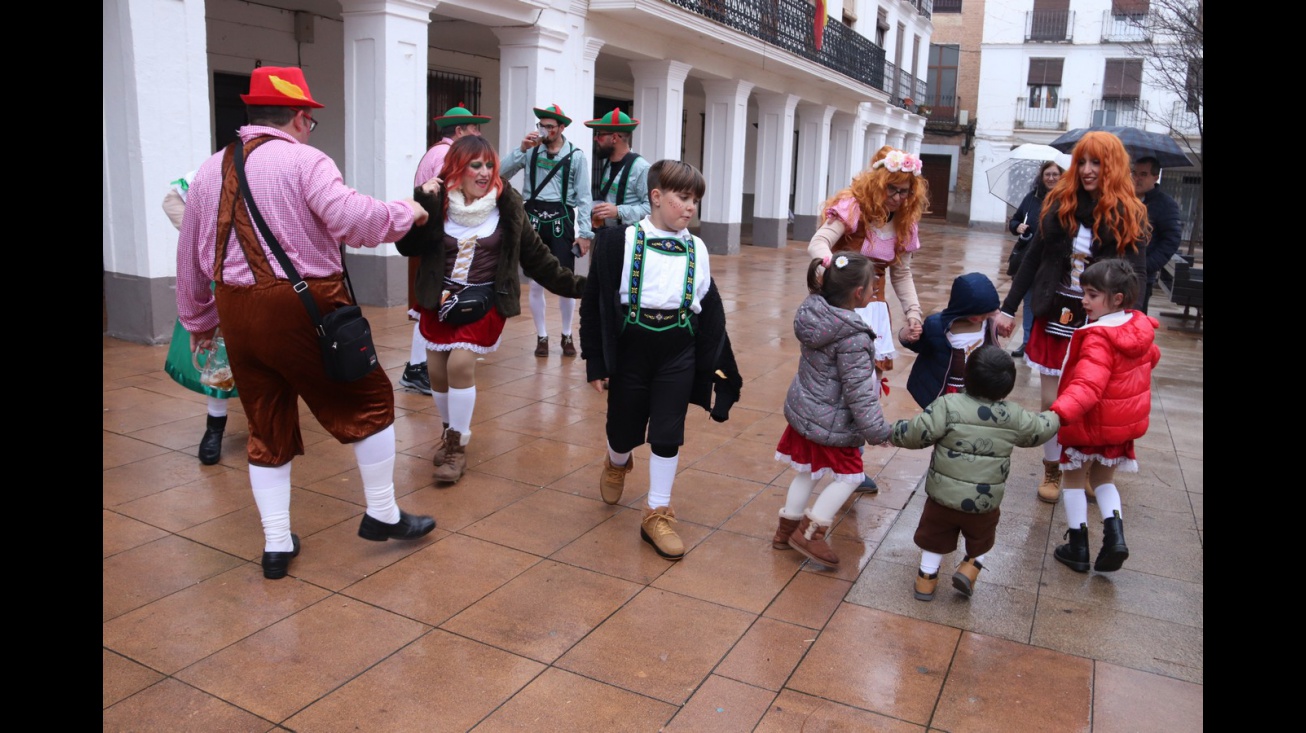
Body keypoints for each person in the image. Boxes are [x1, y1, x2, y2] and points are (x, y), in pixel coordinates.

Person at [175, 66, 437, 580]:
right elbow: (354, 221)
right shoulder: (305, 161)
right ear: (299, 116)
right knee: (369, 401)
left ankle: (276, 545)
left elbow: (189, 253)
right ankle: (383, 513)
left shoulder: (208, 170)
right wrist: (409, 211)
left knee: (265, 424)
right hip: (305, 308)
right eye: (309, 120)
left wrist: (199, 319)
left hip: (237, 310)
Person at [398, 135, 586, 484]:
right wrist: (419, 203)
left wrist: (582, 288)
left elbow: (539, 261)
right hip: (439, 301)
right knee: (437, 370)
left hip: (484, 300)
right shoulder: (437, 202)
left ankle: (457, 446)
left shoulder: (507, 205)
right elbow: (407, 246)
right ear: (457, 168)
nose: (485, 173)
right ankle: (448, 429)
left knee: (461, 362)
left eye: (489, 165)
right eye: (476, 165)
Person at [580, 159, 742, 561]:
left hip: (678, 350)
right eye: (682, 198)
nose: (690, 207)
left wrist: (717, 369)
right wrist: (596, 362)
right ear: (656, 197)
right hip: (632, 349)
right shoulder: (618, 241)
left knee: (668, 432)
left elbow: (709, 307)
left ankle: (657, 511)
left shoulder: (697, 247)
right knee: (622, 426)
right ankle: (617, 460)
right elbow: (595, 303)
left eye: (695, 200)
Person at [995, 131, 1149, 505]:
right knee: (1053, 402)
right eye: (1082, 161)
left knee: (1093, 399)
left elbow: (1139, 274)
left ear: (1111, 167)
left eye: (1096, 162)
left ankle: (1093, 464)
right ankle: (1054, 468)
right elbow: (1033, 259)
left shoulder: (1129, 213)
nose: (1087, 170)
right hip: (1056, 310)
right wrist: (1007, 306)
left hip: (1102, 320)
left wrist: (1137, 327)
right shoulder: (1059, 202)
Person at [889, 345, 1059, 601]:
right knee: (982, 539)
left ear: (967, 376)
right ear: (1007, 386)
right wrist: (1059, 414)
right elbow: (1039, 430)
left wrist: (891, 432)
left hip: (942, 499)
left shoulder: (948, 405)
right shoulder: (1013, 416)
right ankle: (970, 569)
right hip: (984, 502)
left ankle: (926, 581)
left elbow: (917, 434)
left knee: (933, 539)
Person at [807, 145, 929, 494]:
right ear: (878, 182)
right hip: (842, 307)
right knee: (837, 386)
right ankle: (831, 453)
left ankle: (851, 461)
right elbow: (818, 243)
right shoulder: (853, 205)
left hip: (874, 311)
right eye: (892, 188)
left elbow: (901, 274)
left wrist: (913, 313)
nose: (897, 197)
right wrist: (836, 270)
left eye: (904, 191)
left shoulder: (903, 221)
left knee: (868, 389)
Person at [771, 252, 892, 569]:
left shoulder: (815, 313)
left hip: (807, 411)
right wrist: (878, 431)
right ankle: (811, 532)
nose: (873, 291)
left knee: (807, 472)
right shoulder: (852, 336)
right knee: (851, 477)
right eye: (872, 286)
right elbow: (860, 393)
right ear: (858, 293)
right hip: (833, 423)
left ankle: (785, 532)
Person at [1048, 259, 1160, 574]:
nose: (1083, 300)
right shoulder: (1138, 327)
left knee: (1072, 479)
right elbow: (1152, 358)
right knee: (1103, 480)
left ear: (1117, 299)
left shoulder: (1097, 336)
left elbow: (1087, 386)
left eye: (1092, 295)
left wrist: (1059, 414)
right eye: (1084, 292)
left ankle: (1078, 546)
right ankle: (1115, 538)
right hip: (1119, 426)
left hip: (1088, 423)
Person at [402, 104, 491, 396]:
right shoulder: (446, 155)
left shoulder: (434, 151)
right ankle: (418, 369)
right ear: (459, 131)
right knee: (430, 306)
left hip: (432, 237)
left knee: (428, 305)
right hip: (440, 242)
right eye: (474, 128)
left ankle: (419, 367)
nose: (478, 134)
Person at [501, 103, 593, 357]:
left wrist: (584, 233)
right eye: (541, 126)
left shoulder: (576, 156)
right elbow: (499, 174)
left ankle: (566, 334)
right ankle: (541, 335)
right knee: (535, 282)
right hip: (532, 221)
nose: (544, 131)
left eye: (549, 127)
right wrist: (520, 149)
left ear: (561, 128)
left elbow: (585, 197)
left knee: (565, 279)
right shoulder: (529, 152)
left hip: (561, 220)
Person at [162, 171, 236, 465]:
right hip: (225, 279)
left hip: (271, 282)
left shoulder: (287, 171)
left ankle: (267, 425)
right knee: (220, 355)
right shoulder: (216, 171)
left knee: (271, 356)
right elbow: (172, 200)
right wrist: (209, 241)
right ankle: (214, 428)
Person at [899, 272, 1002, 410]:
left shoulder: (989, 325)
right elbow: (920, 346)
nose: (981, 317)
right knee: (943, 422)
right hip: (946, 390)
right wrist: (906, 335)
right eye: (976, 312)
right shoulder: (937, 326)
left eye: (986, 312)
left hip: (977, 389)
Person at [1007, 161, 1063, 357]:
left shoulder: (1066, 201)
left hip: (1054, 262)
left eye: (1055, 174)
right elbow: (1014, 220)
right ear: (1042, 177)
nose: (1051, 178)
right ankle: (1028, 343)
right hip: (1029, 259)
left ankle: (1051, 344)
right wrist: (1017, 227)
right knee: (1030, 302)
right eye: (1047, 174)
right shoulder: (1032, 199)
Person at [1131, 156, 1183, 314]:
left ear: (1155, 177)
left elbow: (1171, 241)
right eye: (1134, 173)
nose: (1137, 178)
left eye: (1143, 174)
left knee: (1134, 322)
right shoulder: (1124, 199)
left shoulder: (1165, 204)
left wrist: (1146, 266)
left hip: (1141, 279)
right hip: (1114, 272)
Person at [585, 108, 650, 233]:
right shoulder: (608, 163)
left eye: (599, 135)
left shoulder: (641, 168)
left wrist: (618, 211)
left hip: (629, 239)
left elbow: (651, 209)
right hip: (606, 234)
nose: (595, 139)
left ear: (614, 137)